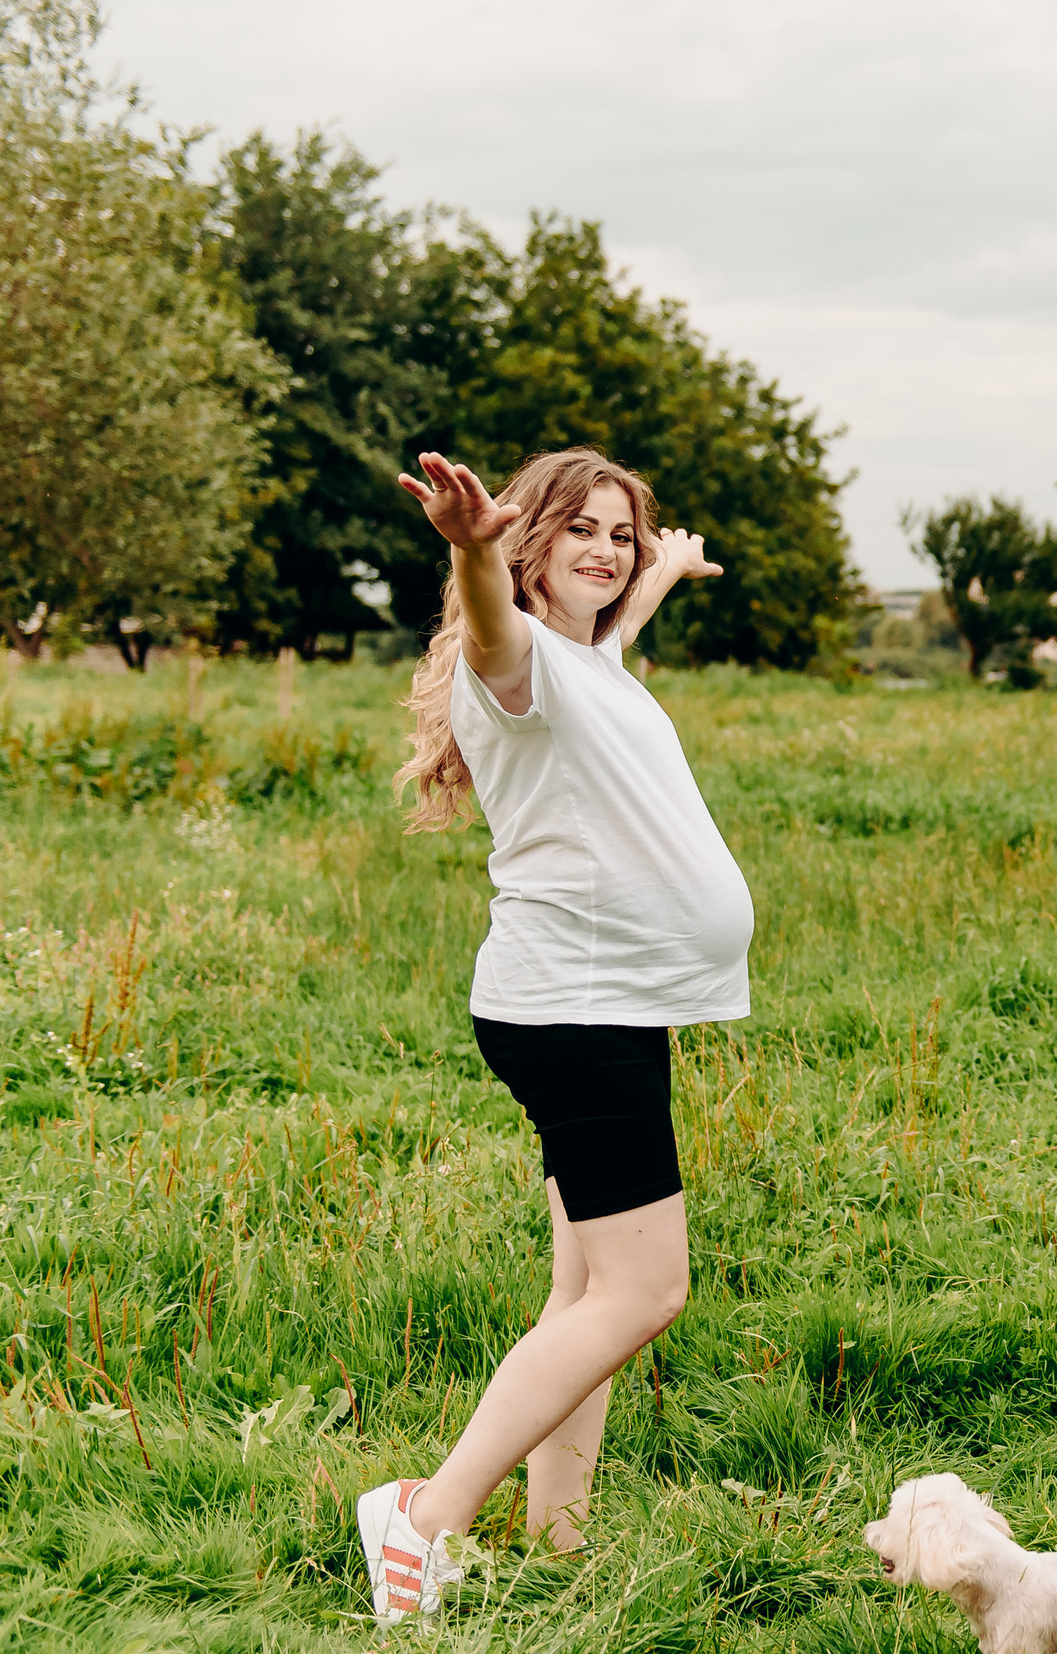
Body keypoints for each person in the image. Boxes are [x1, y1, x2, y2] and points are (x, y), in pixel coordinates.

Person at [357, 447, 751, 1627]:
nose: (605, 549)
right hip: (575, 1013)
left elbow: (608, 633)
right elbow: (491, 631)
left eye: (621, 533)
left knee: (583, 1284)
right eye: (578, 527)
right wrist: (474, 554)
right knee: (644, 1290)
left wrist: (659, 578)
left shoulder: (591, 659)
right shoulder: (515, 661)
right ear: (528, 545)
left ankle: (557, 1532)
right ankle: (421, 1518)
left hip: (603, 1005)